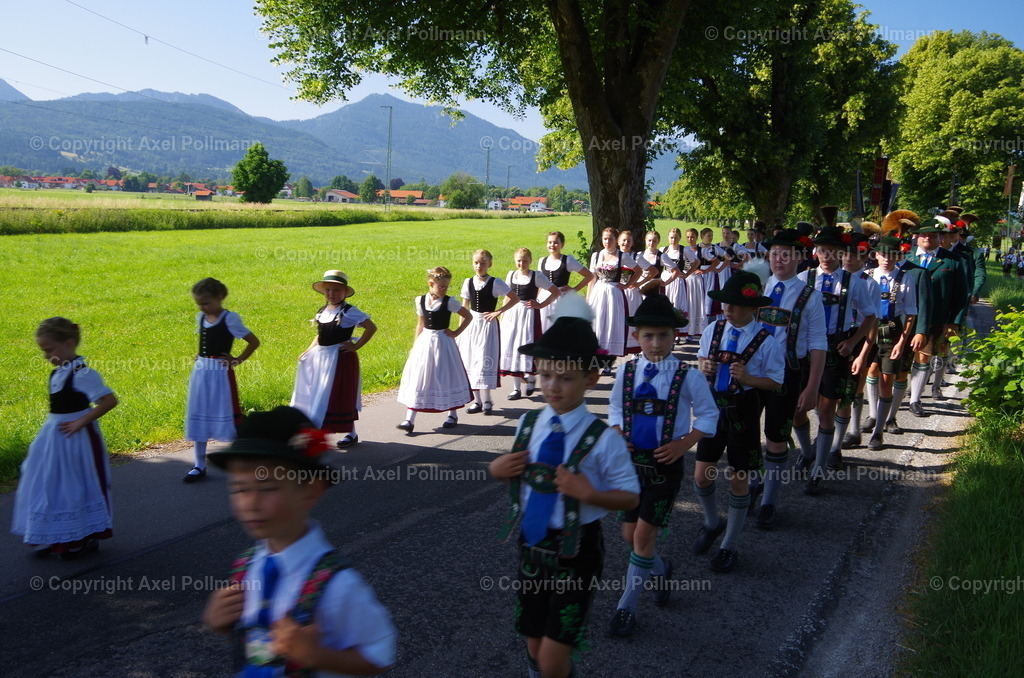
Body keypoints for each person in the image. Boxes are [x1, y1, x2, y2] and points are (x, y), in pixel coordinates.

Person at [490, 295, 639, 678]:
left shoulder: (602, 438)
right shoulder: (528, 425)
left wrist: (589, 494)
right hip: (531, 546)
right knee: (534, 643)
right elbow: (516, 476)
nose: (553, 387)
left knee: (554, 656)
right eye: (546, 375)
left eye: (566, 377)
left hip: (577, 553)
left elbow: (630, 495)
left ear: (591, 378)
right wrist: (498, 468)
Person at [202, 407, 396, 676]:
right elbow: (258, 647)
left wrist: (317, 655)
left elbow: (379, 655)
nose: (251, 503)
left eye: (268, 487)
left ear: (310, 491)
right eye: (239, 488)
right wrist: (223, 625)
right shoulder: (247, 567)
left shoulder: (338, 586)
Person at [607, 294, 717, 635]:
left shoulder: (688, 376)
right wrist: (615, 433)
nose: (656, 343)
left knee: (642, 536)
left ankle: (626, 607)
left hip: (663, 467)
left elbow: (709, 414)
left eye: (663, 336)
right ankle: (659, 569)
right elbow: (614, 410)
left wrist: (684, 443)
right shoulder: (626, 370)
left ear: (675, 336)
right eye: (648, 336)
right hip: (629, 466)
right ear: (637, 337)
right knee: (630, 536)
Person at [694, 272, 784, 572]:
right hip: (711, 408)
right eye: (725, 304)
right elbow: (701, 360)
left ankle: (729, 544)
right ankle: (711, 521)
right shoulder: (713, 329)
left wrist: (750, 379)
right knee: (701, 475)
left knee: (737, 478)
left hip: (743, 409)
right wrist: (703, 365)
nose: (727, 310)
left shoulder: (767, 340)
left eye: (734, 305)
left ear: (753, 308)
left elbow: (774, 381)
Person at [12, 317, 119, 560]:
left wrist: (81, 422)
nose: (46, 356)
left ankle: (82, 536)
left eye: (49, 350)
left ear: (69, 343)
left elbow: (109, 401)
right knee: (49, 484)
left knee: (75, 485)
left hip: (78, 439)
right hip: (53, 439)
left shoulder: (83, 373)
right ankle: (55, 533)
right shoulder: (57, 373)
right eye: (43, 351)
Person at [750, 230, 826, 528]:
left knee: (777, 438)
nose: (779, 259)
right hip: (754, 372)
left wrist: (812, 386)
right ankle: (755, 483)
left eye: (786, 254)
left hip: (788, 374)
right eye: (774, 253)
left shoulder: (811, 295)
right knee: (748, 433)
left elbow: (819, 343)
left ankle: (770, 499)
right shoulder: (759, 287)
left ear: (799, 258)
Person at [794, 228, 876, 495]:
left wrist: (853, 342)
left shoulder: (855, 282)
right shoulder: (803, 278)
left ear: (842, 253)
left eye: (833, 251)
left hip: (834, 347)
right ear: (815, 251)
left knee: (827, 409)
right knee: (797, 409)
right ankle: (807, 453)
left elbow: (870, 316)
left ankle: (818, 470)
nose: (827, 256)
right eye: (822, 250)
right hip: (805, 348)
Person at [184, 277, 261, 483]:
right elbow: (205, 342)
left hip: (220, 372)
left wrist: (237, 360)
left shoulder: (230, 319)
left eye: (206, 303)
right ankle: (199, 464)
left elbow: (253, 341)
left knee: (226, 412)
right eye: (199, 303)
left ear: (219, 298)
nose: (202, 307)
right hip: (201, 372)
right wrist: (200, 357)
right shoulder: (201, 317)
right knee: (199, 412)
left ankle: (244, 460)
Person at [291, 271, 376, 449]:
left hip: (339, 359)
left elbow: (371, 328)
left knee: (337, 395)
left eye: (336, 290)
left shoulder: (349, 311)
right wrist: (307, 351)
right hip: (321, 357)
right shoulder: (323, 311)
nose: (332, 293)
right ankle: (317, 431)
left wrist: (356, 346)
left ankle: (348, 433)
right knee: (318, 393)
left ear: (344, 292)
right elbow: (319, 336)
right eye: (328, 290)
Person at [862, 236, 922, 450]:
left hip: (892, 331)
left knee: (887, 379)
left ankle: (879, 431)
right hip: (867, 329)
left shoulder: (906, 278)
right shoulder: (867, 276)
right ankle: (870, 416)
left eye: (892, 255)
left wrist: (902, 342)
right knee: (869, 371)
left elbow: (911, 312)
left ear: (898, 256)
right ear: (875, 255)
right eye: (883, 254)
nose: (887, 259)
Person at [396, 267, 473, 433]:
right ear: (431, 283)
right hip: (425, 342)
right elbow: (420, 324)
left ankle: (452, 413)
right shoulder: (421, 300)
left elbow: (468, 316)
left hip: (443, 343)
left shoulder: (450, 302)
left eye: (446, 286)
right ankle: (409, 419)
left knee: (446, 375)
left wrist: (456, 333)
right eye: (441, 286)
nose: (444, 289)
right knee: (419, 376)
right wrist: (415, 345)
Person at [904, 220, 966, 418]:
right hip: (906, 317)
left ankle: (915, 399)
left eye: (932, 235)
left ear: (940, 237)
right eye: (923, 235)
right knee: (903, 357)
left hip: (937, 318)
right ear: (916, 238)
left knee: (924, 355)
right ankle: (901, 391)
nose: (927, 239)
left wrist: (954, 322)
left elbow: (960, 294)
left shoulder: (952, 260)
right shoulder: (906, 258)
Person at [458, 250, 521, 414]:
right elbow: (464, 307)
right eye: (476, 262)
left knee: (484, 361)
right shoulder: (468, 282)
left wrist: (498, 311)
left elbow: (514, 298)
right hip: (472, 325)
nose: (479, 266)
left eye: (483, 263)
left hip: (487, 325)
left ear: (490, 265)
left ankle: (487, 400)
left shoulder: (495, 282)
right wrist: (460, 331)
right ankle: (477, 401)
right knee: (471, 360)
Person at [500, 247, 562, 398]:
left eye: (525, 261)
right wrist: (502, 313)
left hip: (528, 315)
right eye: (519, 261)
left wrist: (540, 305)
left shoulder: (536, 276)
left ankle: (532, 377)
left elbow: (555, 292)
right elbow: (507, 297)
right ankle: (516, 388)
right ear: (515, 261)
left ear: (530, 261)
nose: (522, 263)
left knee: (527, 345)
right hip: (512, 314)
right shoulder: (511, 275)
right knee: (512, 346)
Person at [588, 227, 640, 361]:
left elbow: (638, 271)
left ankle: (609, 357)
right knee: (597, 322)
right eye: (604, 238)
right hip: (598, 292)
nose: (607, 241)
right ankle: (597, 354)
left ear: (616, 240)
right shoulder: (597, 255)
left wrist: (627, 285)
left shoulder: (622, 256)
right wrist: (588, 298)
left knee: (611, 323)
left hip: (613, 293)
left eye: (610, 239)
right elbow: (592, 278)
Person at [537, 232, 593, 331]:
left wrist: (574, 289)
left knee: (559, 328)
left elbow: (589, 275)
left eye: (555, 242)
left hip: (560, 299)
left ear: (562, 244)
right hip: (543, 298)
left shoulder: (568, 260)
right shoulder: (542, 261)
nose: (552, 245)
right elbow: (540, 284)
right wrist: (537, 298)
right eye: (549, 242)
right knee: (543, 326)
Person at [660, 227, 693, 334]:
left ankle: (677, 331)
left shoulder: (684, 250)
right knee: (665, 303)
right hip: (665, 278)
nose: (673, 240)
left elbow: (696, 262)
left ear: (679, 238)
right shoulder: (663, 250)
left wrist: (687, 273)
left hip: (678, 280)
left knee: (677, 304)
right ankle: (665, 327)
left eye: (675, 238)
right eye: (671, 237)